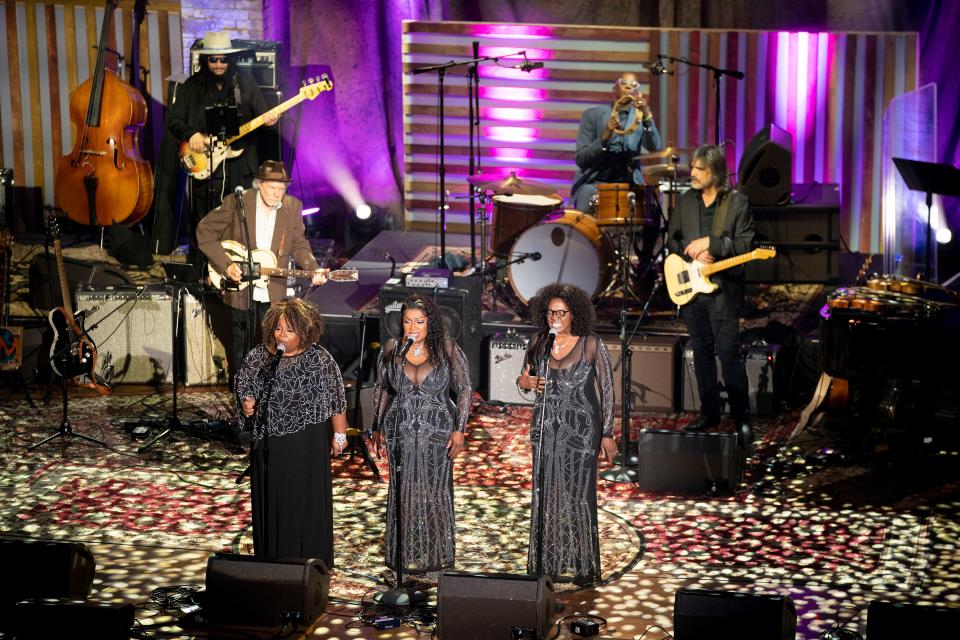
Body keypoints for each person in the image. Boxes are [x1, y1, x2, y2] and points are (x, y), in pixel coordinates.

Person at [515, 284, 617, 586]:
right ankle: (547, 563)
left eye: (561, 313)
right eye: (550, 313)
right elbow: (523, 381)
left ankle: (583, 565)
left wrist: (608, 432)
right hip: (545, 428)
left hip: (582, 430)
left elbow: (608, 390)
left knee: (578, 496)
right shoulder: (537, 343)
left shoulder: (590, 345)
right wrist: (527, 382)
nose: (555, 319)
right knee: (545, 494)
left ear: (574, 315)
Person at [235, 298, 347, 565]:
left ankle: (310, 562)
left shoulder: (320, 359)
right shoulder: (260, 356)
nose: (282, 335)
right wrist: (247, 403)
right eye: (278, 328)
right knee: (274, 502)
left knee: (303, 502)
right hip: (269, 442)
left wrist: (339, 435)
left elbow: (336, 398)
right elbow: (245, 385)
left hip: (307, 443)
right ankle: (274, 561)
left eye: (289, 330)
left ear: (304, 331)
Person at [196, 159, 328, 384]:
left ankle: (269, 395)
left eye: (282, 189)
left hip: (273, 289)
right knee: (241, 344)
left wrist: (313, 268)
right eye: (272, 188)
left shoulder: (292, 206)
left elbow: (298, 244)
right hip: (240, 286)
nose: (278, 194)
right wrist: (226, 264)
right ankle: (242, 394)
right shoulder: (238, 202)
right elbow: (205, 231)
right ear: (259, 184)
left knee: (274, 341)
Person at [370, 294, 471, 580]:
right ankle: (402, 559)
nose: (412, 327)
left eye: (419, 321)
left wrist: (460, 429)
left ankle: (436, 560)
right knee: (402, 494)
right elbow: (382, 388)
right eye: (407, 321)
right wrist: (377, 426)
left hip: (437, 433)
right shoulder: (392, 348)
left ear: (430, 323)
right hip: (399, 431)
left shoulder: (447, 349)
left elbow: (464, 389)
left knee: (434, 494)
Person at [666, 144, 756, 453]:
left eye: (699, 169)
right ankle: (709, 412)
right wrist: (689, 254)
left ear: (715, 173)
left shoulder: (737, 203)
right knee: (701, 350)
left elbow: (745, 244)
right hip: (693, 289)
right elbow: (673, 238)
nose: (691, 173)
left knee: (728, 352)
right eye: (692, 167)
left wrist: (712, 244)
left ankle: (742, 418)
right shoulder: (685, 201)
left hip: (724, 290)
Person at [166, 31, 278, 273]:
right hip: (204, 166)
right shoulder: (192, 87)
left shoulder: (244, 82)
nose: (218, 65)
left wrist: (270, 119)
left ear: (231, 61)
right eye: (213, 60)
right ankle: (201, 274)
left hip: (239, 164)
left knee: (240, 220)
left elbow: (263, 114)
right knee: (204, 221)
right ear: (206, 61)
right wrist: (191, 134)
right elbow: (173, 119)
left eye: (223, 60)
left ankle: (237, 273)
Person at [570, 72, 662, 212]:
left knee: (652, 207)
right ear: (615, 87)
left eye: (633, 85)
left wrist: (647, 118)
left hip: (629, 184)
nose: (628, 87)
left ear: (637, 91)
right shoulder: (592, 115)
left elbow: (654, 147)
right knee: (585, 200)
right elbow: (581, 159)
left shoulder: (640, 117)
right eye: (624, 83)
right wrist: (604, 136)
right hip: (595, 183)